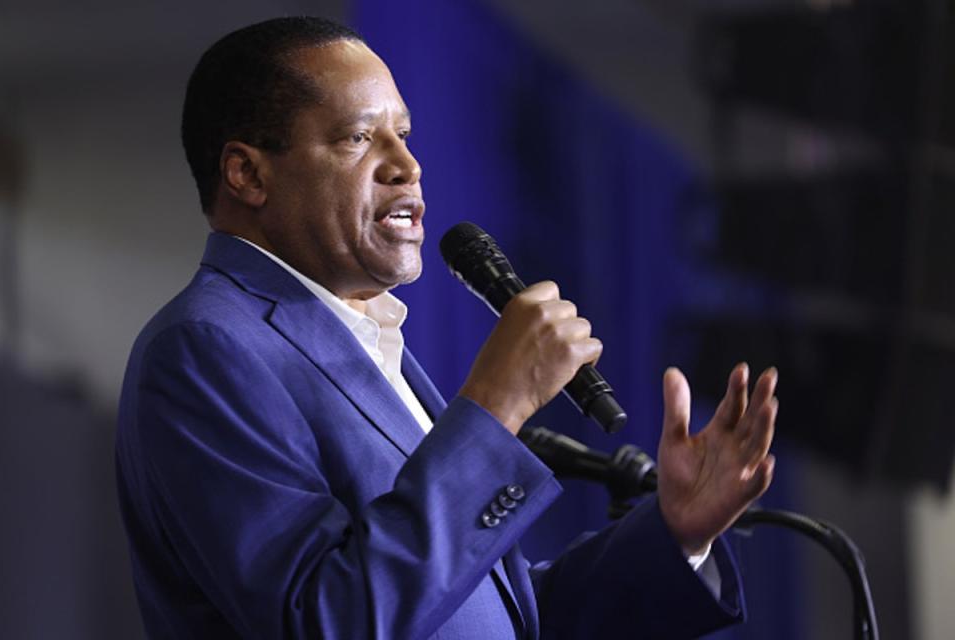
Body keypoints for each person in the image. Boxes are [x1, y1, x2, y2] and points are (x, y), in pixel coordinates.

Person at [116, 16, 778, 640]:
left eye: (404, 134)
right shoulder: (206, 348)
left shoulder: (364, 342)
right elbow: (328, 619)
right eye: (357, 136)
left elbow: (485, 618)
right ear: (248, 174)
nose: (407, 164)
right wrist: (498, 403)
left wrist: (675, 535)